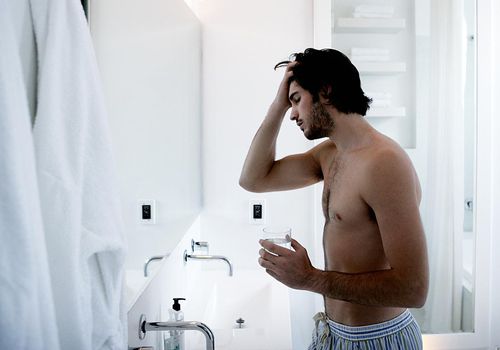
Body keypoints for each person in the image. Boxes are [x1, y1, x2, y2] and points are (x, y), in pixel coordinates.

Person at [239, 48, 429, 349]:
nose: (292, 114)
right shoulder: (329, 155)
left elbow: (414, 289)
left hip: (379, 340)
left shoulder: (385, 163)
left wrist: (309, 278)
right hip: (331, 334)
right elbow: (253, 179)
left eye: (297, 99)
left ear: (325, 91)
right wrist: (276, 105)